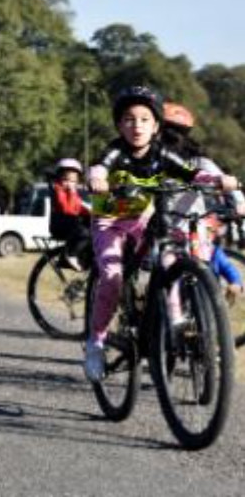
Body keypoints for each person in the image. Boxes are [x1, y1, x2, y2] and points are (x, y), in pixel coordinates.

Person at [83, 86, 237, 382]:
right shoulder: (116, 150)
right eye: (128, 119)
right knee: (113, 277)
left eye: (144, 119)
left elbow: (193, 174)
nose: (136, 126)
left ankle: (167, 321)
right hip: (111, 220)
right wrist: (97, 179)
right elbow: (100, 168)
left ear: (155, 126)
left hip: (142, 216)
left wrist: (218, 180)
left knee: (169, 260)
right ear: (119, 125)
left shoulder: (162, 153)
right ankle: (96, 341)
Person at [158, 102, 243, 299]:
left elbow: (225, 180)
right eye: (167, 130)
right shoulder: (149, 159)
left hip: (193, 227)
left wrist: (239, 201)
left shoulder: (199, 162)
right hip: (158, 227)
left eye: (180, 131)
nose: (173, 137)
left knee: (205, 265)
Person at [48, 158, 92, 270]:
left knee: (93, 227)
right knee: (84, 233)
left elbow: (79, 207)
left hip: (71, 224)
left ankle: (84, 259)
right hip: (62, 225)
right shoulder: (59, 191)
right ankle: (70, 255)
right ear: (59, 179)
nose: (69, 184)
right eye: (66, 180)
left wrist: (91, 212)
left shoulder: (73, 193)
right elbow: (67, 209)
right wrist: (71, 192)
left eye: (73, 181)